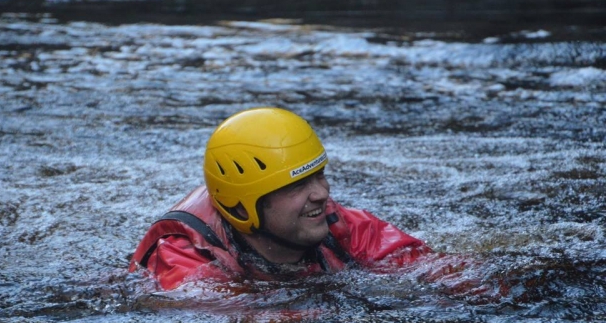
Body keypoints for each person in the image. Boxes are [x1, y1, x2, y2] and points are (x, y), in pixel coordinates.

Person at [130, 107, 432, 290]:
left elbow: (436, 270)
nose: (321, 193)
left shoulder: (339, 224)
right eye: (297, 185)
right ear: (241, 206)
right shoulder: (183, 259)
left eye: (319, 174)